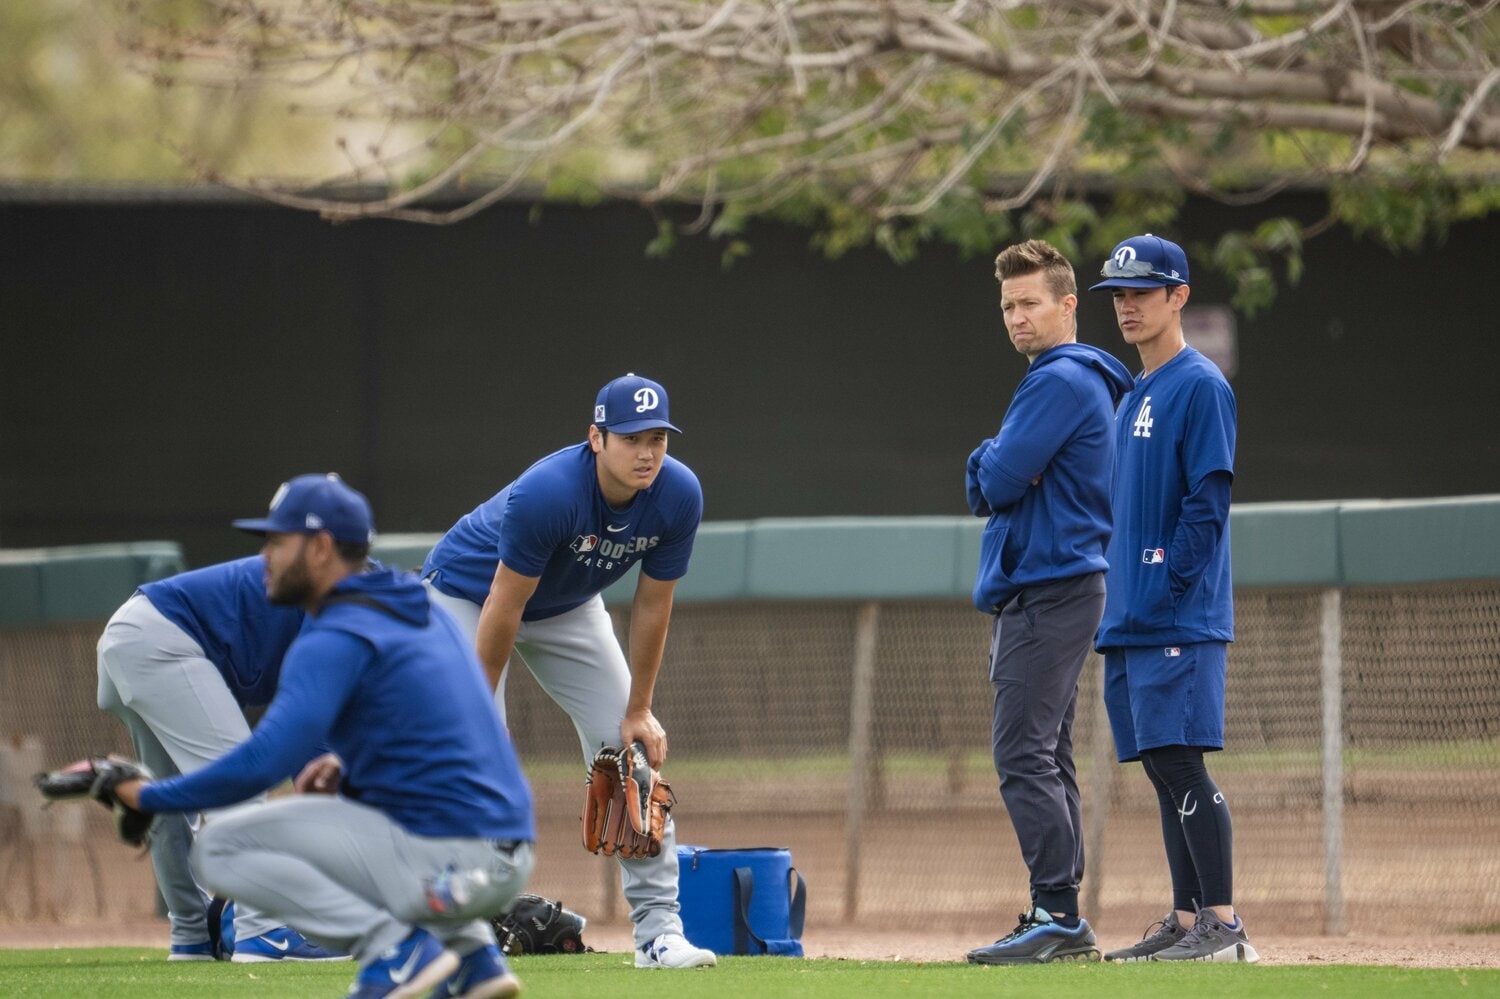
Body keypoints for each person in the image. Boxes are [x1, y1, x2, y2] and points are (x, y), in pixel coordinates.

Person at [113, 473, 538, 998]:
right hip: (506, 857)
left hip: (444, 864)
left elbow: (262, 763)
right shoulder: (421, 605)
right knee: (360, 815)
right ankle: (474, 958)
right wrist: (352, 767)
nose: (265, 555)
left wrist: (148, 796)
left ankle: (392, 947)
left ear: (319, 548)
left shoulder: (336, 630)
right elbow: (454, 729)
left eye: (277, 541)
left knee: (223, 846)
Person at [421, 373, 717, 971]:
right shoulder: (551, 491)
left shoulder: (679, 493)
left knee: (627, 751)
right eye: (632, 437)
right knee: (472, 755)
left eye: (658, 436)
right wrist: (480, 714)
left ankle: (659, 936)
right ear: (596, 438)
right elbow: (504, 605)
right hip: (467, 596)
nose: (647, 451)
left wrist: (639, 708)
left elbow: (654, 605)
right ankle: (444, 920)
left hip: (566, 604)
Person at [1089, 234, 1258, 963]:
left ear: (1178, 296)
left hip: (1175, 613)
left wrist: (1168, 585)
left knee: (1182, 761)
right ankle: (1188, 921)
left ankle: (1223, 925)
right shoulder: (1136, 394)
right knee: (1160, 767)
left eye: (1143, 292)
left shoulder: (1200, 384)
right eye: (1119, 295)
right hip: (1130, 613)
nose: (1128, 305)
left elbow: (1207, 501)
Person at [963, 240, 1132, 966]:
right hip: (1057, 584)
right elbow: (1001, 476)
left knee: (1022, 752)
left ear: (1068, 305)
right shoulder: (1067, 376)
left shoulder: (1060, 378)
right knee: (1045, 752)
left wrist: (989, 458)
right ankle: (1057, 910)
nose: (1017, 316)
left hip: (1051, 586)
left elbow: (992, 481)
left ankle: (1058, 913)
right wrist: (998, 464)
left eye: (1030, 302)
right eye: (1008, 305)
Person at [97, 555, 344, 962]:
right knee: (242, 783)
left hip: (131, 634)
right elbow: (312, 759)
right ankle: (262, 932)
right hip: (164, 638)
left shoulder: (356, 597)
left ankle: (192, 935)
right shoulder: (354, 598)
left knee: (169, 802)